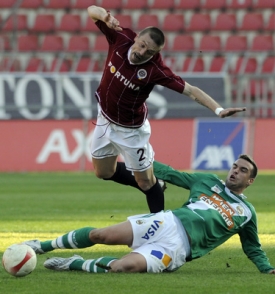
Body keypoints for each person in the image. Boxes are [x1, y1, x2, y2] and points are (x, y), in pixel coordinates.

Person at [87, 5, 246, 213]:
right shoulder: (121, 38)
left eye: (149, 51)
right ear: (136, 38)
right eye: (141, 45)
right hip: (105, 118)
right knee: (104, 172)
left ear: (156, 53)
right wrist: (106, 17)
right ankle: (155, 182)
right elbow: (91, 10)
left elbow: (191, 90)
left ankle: (160, 228)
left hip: (131, 131)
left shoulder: (155, 69)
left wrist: (218, 110)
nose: (141, 53)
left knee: (146, 184)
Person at [23, 154, 275, 274]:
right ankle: (41, 246)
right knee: (102, 235)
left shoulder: (246, 213)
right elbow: (172, 173)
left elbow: (252, 247)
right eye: (234, 167)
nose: (234, 172)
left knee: (123, 267)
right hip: (167, 222)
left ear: (250, 180)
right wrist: (139, 161)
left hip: (178, 249)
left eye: (242, 171)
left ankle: (74, 263)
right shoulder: (208, 181)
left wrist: (266, 269)